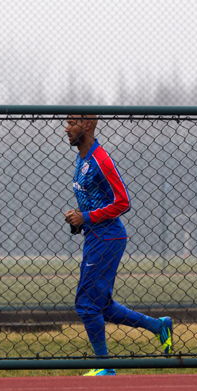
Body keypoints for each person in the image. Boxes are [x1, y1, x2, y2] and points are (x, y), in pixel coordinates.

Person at [64, 115, 173, 376]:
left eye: (72, 124)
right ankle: (159, 326)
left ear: (88, 125)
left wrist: (87, 217)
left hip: (108, 237)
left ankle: (105, 367)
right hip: (95, 236)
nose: (66, 129)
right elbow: (97, 200)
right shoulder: (82, 158)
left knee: (86, 305)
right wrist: (79, 216)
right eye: (65, 124)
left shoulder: (101, 160)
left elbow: (123, 202)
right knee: (102, 306)